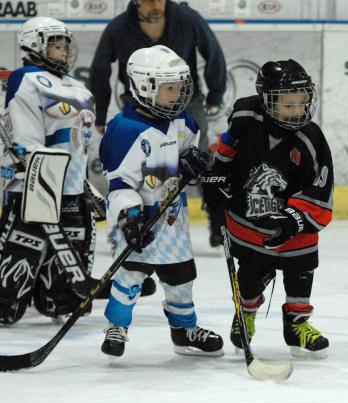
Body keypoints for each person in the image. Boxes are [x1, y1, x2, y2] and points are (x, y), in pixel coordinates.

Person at [98, 45, 223, 358]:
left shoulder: (183, 122)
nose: (178, 94)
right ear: (144, 87)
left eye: (180, 86)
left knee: (182, 279)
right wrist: (129, 216)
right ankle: (117, 327)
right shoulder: (125, 130)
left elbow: (183, 157)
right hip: (136, 219)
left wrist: (192, 162)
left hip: (171, 221)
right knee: (129, 276)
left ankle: (184, 330)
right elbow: (120, 184)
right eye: (170, 88)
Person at [202, 59, 332, 359]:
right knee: (249, 275)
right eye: (288, 105)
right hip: (247, 217)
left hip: (291, 221)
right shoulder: (246, 114)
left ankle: (297, 325)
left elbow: (319, 187)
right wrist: (218, 174)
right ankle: (246, 314)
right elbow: (228, 145)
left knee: (301, 270)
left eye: (302, 103)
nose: (297, 111)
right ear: (266, 99)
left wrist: (292, 220)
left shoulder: (311, 138)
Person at [89, 0, 227, 248]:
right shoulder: (118, 28)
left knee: (201, 158)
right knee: (141, 159)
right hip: (140, 106)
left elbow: (213, 50)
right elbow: (99, 70)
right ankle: (136, 216)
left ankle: (218, 222)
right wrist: (99, 113)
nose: (157, 4)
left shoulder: (187, 18)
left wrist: (216, 94)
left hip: (186, 103)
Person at [0, 17, 97, 325]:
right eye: (55, 45)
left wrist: (85, 186)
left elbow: (79, 145)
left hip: (69, 188)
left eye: (65, 46)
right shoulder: (27, 78)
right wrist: (29, 160)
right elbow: (24, 135)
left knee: (61, 300)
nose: (63, 51)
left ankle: (56, 297)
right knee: (7, 299)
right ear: (33, 44)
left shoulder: (77, 86)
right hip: (33, 187)